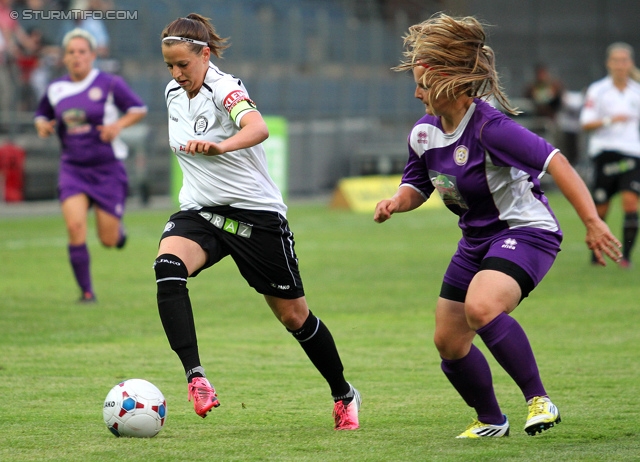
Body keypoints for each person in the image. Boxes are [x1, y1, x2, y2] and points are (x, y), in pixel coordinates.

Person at [374, 14, 621, 438]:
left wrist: (593, 222)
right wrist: (397, 202)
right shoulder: (423, 133)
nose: (416, 93)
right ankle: (491, 420)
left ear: (450, 82)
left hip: (526, 232)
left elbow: (555, 161)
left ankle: (539, 400)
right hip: (476, 240)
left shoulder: (492, 128)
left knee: (482, 307)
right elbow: (417, 184)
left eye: (422, 83)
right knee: (449, 342)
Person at [155, 13, 360, 430]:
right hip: (201, 212)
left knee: (293, 317)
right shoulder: (173, 94)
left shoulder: (225, 88)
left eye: (183, 65)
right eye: (170, 67)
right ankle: (196, 378)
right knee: (167, 267)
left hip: (255, 216)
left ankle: (343, 393)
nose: (177, 74)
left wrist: (222, 147)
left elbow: (258, 126)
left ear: (204, 55)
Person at [34, 28, 147, 302]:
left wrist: (117, 125)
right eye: (71, 52)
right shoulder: (56, 88)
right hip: (73, 169)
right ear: (64, 57)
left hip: (107, 169)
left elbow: (138, 109)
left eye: (82, 52)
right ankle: (86, 292)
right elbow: (41, 114)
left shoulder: (109, 84)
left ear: (93, 55)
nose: (76, 57)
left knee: (108, 241)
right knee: (75, 228)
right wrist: (42, 125)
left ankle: (117, 233)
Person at [580, 42, 640, 268]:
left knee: (630, 201)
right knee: (601, 207)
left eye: (624, 61)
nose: (620, 65)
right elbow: (585, 123)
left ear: (630, 63)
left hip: (632, 154)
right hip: (605, 154)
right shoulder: (598, 90)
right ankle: (597, 253)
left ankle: (626, 258)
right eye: (616, 61)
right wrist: (609, 120)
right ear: (609, 63)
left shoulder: (637, 91)